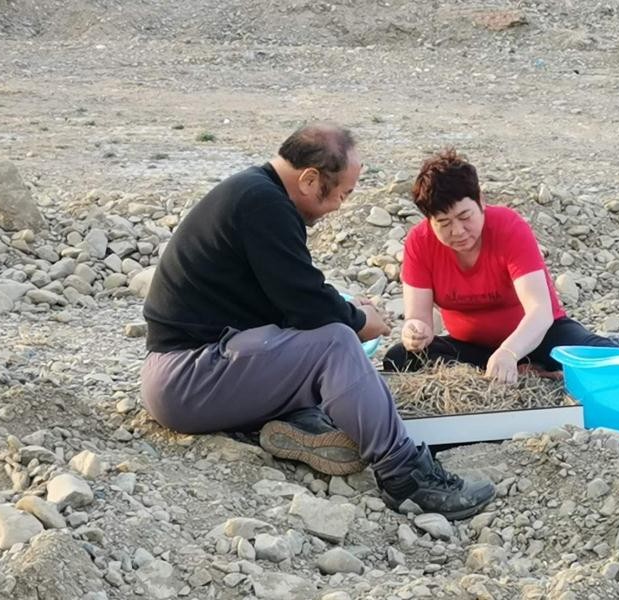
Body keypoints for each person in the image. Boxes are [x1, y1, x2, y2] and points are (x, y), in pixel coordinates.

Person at [140, 124, 495, 520]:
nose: (339, 206)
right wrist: (362, 321)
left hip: (194, 371)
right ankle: (405, 474)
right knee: (336, 341)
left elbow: (291, 299)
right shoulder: (264, 204)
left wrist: (343, 310)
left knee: (325, 337)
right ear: (310, 180)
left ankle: (304, 424)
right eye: (342, 194)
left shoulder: (255, 193)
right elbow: (308, 305)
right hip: (187, 378)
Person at [384, 148, 619, 383]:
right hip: (475, 351)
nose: (457, 231)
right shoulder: (420, 242)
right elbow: (418, 318)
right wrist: (414, 332)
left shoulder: (509, 227)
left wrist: (510, 352)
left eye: (465, 217)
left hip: (538, 338)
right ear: (429, 220)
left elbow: (539, 311)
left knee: (598, 356)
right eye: (444, 223)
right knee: (399, 357)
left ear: (480, 201)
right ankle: (519, 376)